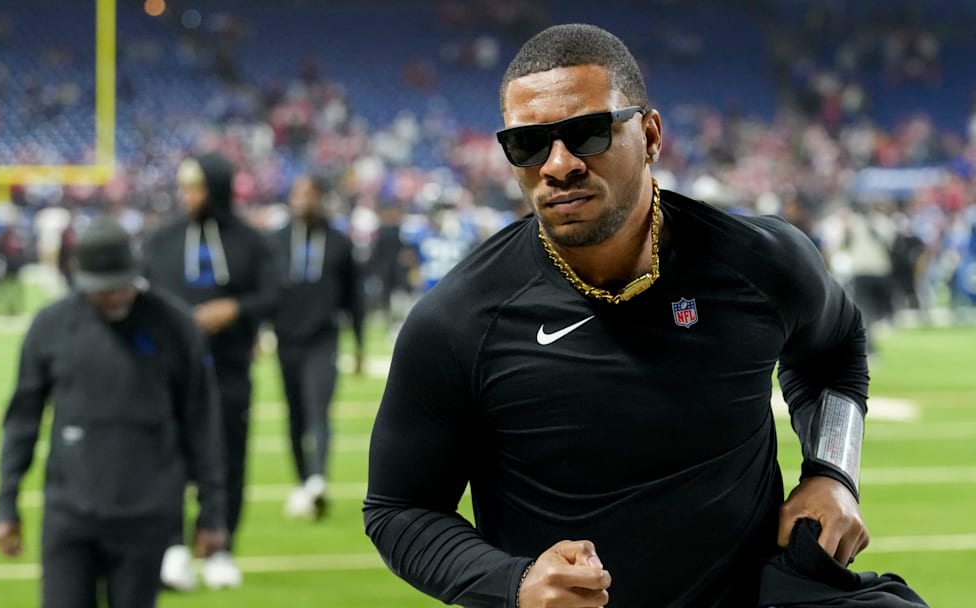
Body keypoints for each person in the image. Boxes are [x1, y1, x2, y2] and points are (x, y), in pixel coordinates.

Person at [363, 23, 870, 608]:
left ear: (650, 136)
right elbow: (399, 510)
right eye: (527, 144)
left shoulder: (760, 262)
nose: (558, 164)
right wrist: (514, 582)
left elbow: (836, 349)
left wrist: (832, 472)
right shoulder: (457, 320)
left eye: (587, 133)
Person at [0, 216, 228, 608]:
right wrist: (7, 501)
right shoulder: (51, 326)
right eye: (103, 290)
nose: (115, 297)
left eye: (123, 285)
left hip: (147, 516)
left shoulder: (175, 327)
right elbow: (22, 420)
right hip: (69, 514)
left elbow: (202, 423)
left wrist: (212, 512)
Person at [142, 151, 283, 590]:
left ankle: (220, 545)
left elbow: (275, 295)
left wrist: (235, 309)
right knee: (167, 460)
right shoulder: (161, 240)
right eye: (185, 188)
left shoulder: (251, 241)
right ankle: (173, 548)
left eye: (197, 187)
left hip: (228, 369)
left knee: (227, 460)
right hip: (168, 371)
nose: (188, 196)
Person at [273, 174, 365, 519]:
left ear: (321, 199)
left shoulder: (340, 243)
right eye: (298, 194)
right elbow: (267, 290)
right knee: (294, 414)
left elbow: (353, 298)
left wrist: (358, 345)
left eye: (309, 194)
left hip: (324, 337)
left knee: (318, 409)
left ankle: (318, 481)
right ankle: (302, 481)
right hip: (286, 339)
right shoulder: (277, 241)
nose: (303, 201)